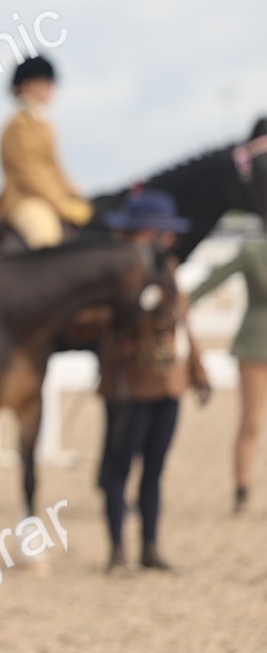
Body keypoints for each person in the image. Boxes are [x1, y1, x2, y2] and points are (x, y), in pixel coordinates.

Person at [97, 189, 211, 572]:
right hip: (129, 386)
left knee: (155, 470)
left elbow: (183, 325)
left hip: (168, 385)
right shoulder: (118, 276)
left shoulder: (170, 270)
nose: (167, 240)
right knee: (118, 469)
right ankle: (116, 550)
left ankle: (149, 546)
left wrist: (198, 372)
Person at [188, 230, 267, 512]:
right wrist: (179, 302)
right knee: (252, 421)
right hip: (257, 344)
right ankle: (242, 488)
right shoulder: (253, 251)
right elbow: (215, 278)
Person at [0, 55, 94, 248]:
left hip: (48, 197)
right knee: (46, 237)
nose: (50, 89)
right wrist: (60, 203)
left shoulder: (45, 125)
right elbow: (28, 174)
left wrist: (77, 194)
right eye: (45, 84)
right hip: (24, 200)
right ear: (27, 86)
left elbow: (54, 167)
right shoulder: (17, 126)